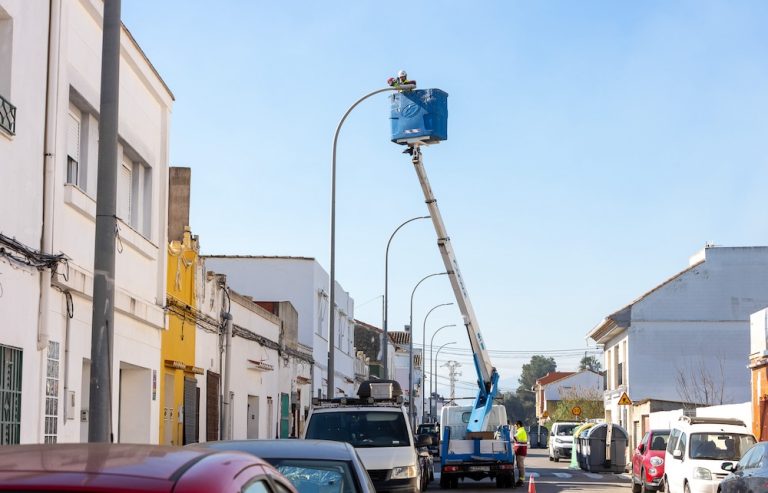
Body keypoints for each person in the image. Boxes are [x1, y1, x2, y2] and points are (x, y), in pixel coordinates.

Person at [513, 421, 528, 487]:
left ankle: (521, 480)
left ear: (518, 425)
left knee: (521, 466)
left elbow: (514, 438)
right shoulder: (521, 431)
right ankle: (521, 480)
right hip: (520, 451)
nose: (515, 427)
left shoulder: (521, 431)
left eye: (516, 426)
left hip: (521, 451)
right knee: (519, 466)